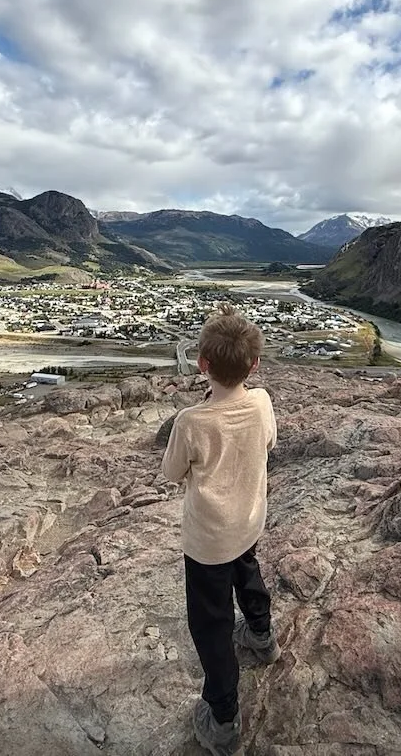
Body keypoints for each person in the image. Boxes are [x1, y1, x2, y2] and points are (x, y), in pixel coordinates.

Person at [161, 303, 280, 756]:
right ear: (255, 364)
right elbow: (268, 442)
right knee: (248, 572)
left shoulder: (192, 421)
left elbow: (173, 473)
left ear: (202, 364)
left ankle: (224, 717)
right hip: (249, 522)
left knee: (211, 625)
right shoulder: (263, 401)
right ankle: (262, 636)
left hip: (207, 539)